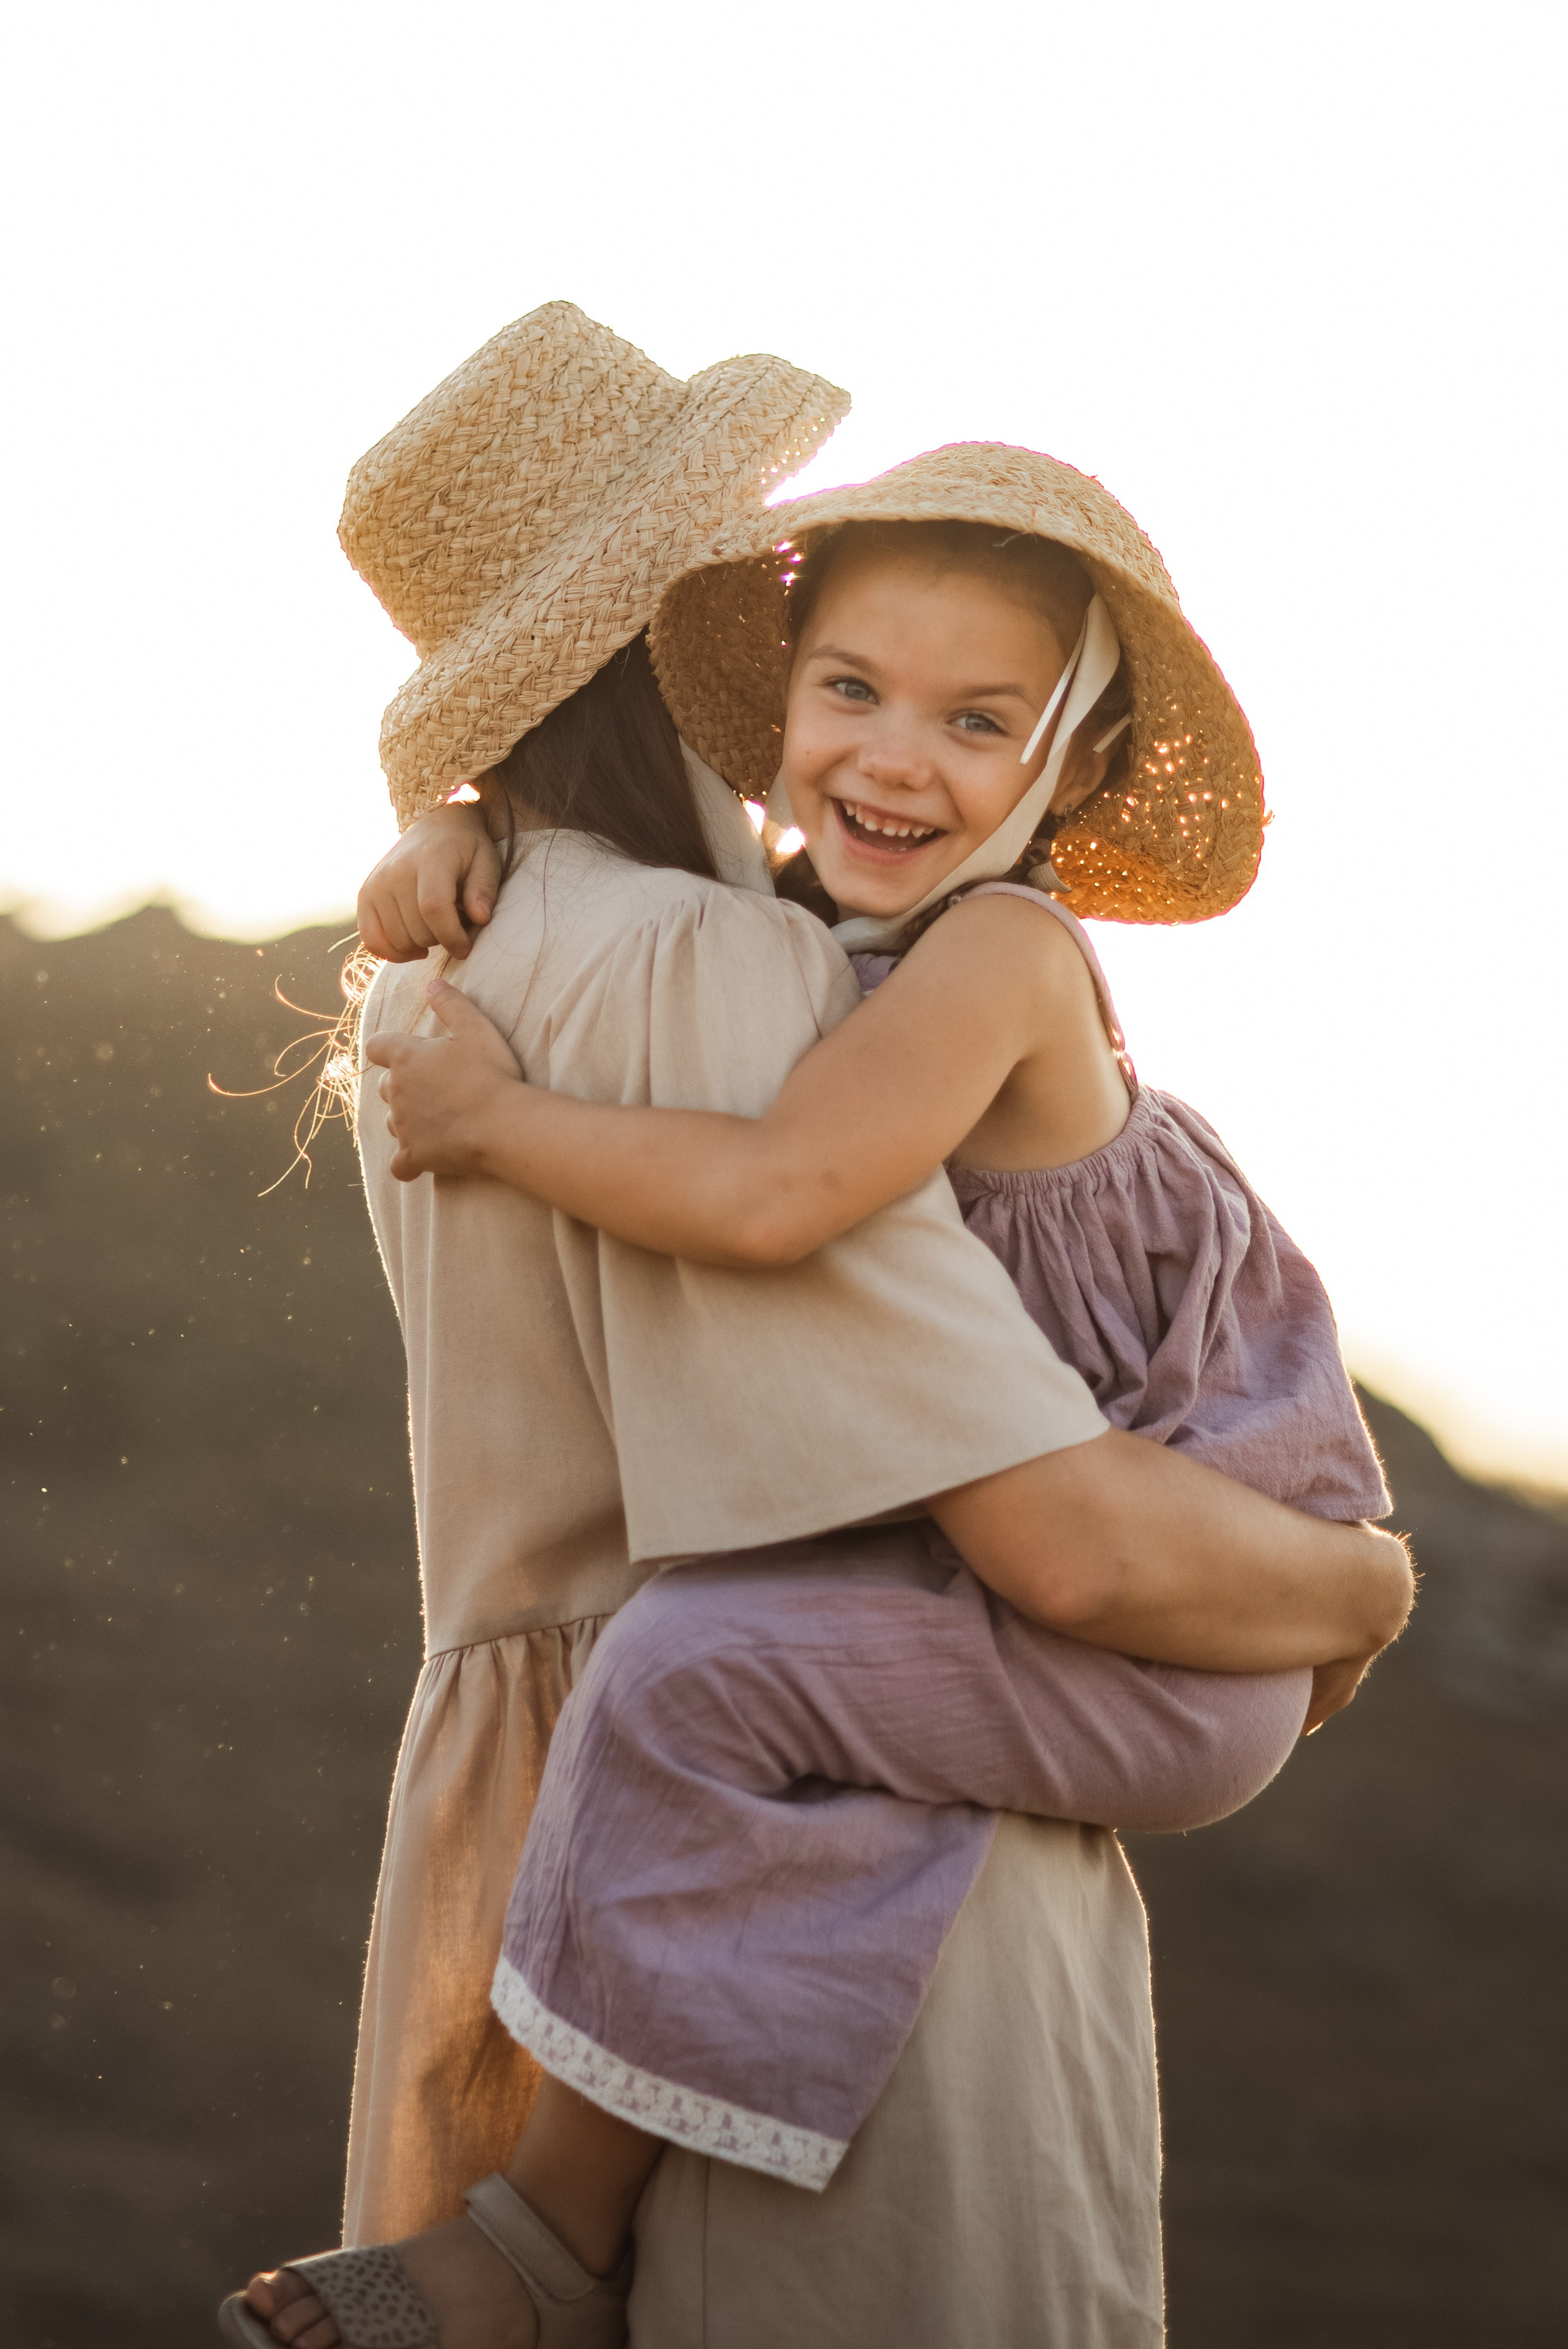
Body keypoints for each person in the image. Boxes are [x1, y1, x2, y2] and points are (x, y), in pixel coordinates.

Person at [226, 350, 1411, 2349]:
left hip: (719, 1770)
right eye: (816, 656)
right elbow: (1065, 1536)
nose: (810, 690)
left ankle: (526, 2246)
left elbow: (813, 1222)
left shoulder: (471, 968)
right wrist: (1353, 1578)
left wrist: (1353, 1575)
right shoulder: (720, 965)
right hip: (848, 1843)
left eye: (971, 713)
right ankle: (534, 2249)